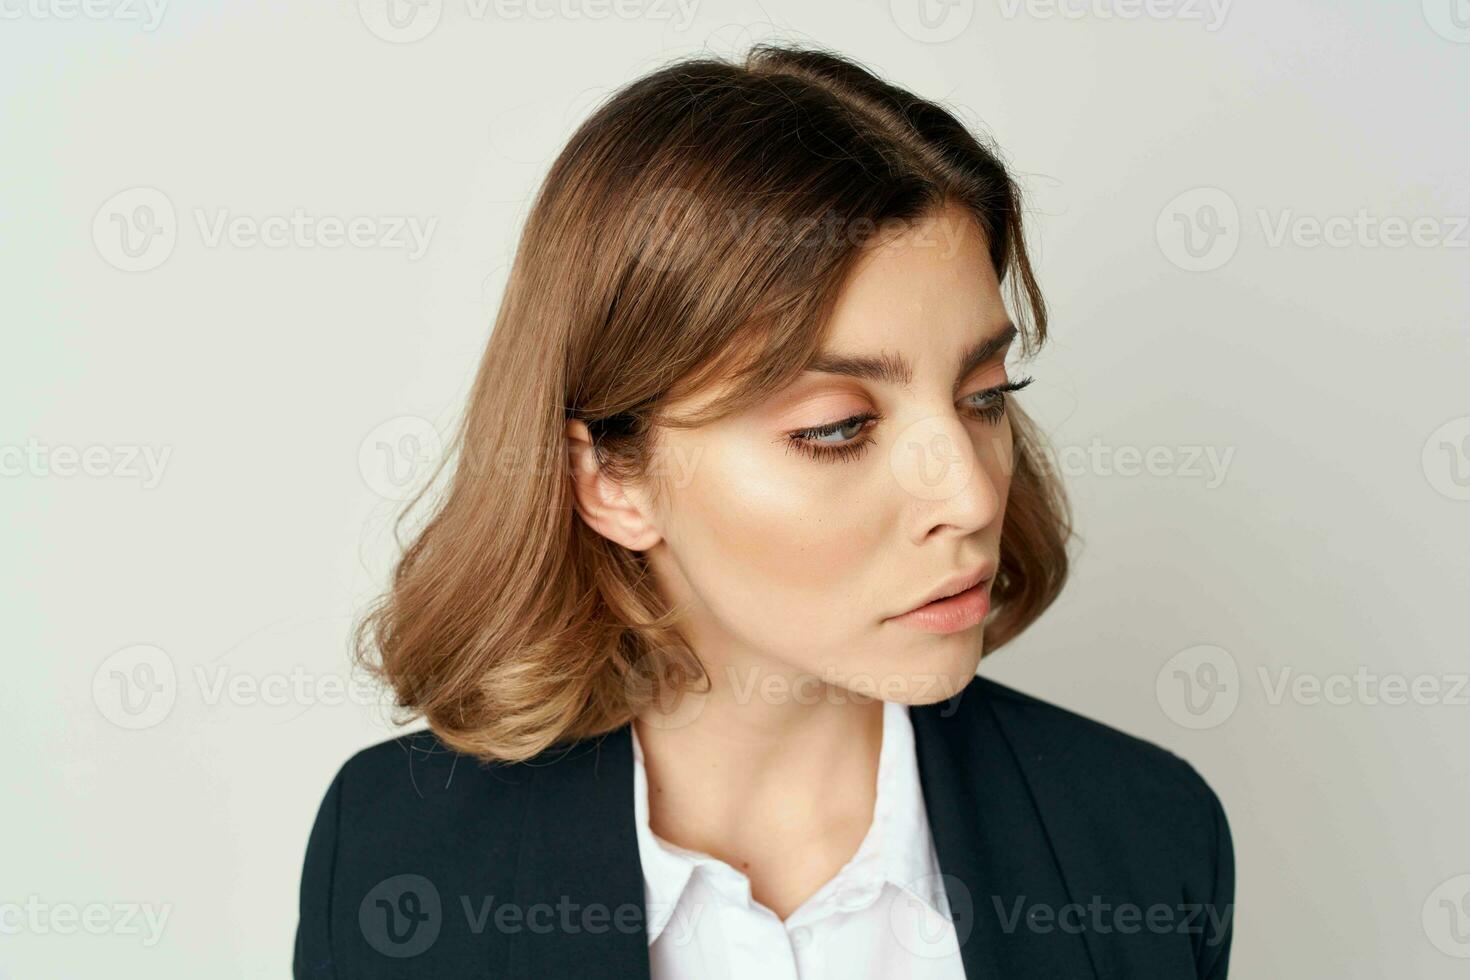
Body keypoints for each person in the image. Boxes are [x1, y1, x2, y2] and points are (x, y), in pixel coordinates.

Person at [294, 42, 1235, 979]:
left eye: (985, 393)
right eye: (838, 428)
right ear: (611, 480)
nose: (975, 491)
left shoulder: (1149, 837)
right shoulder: (395, 856)